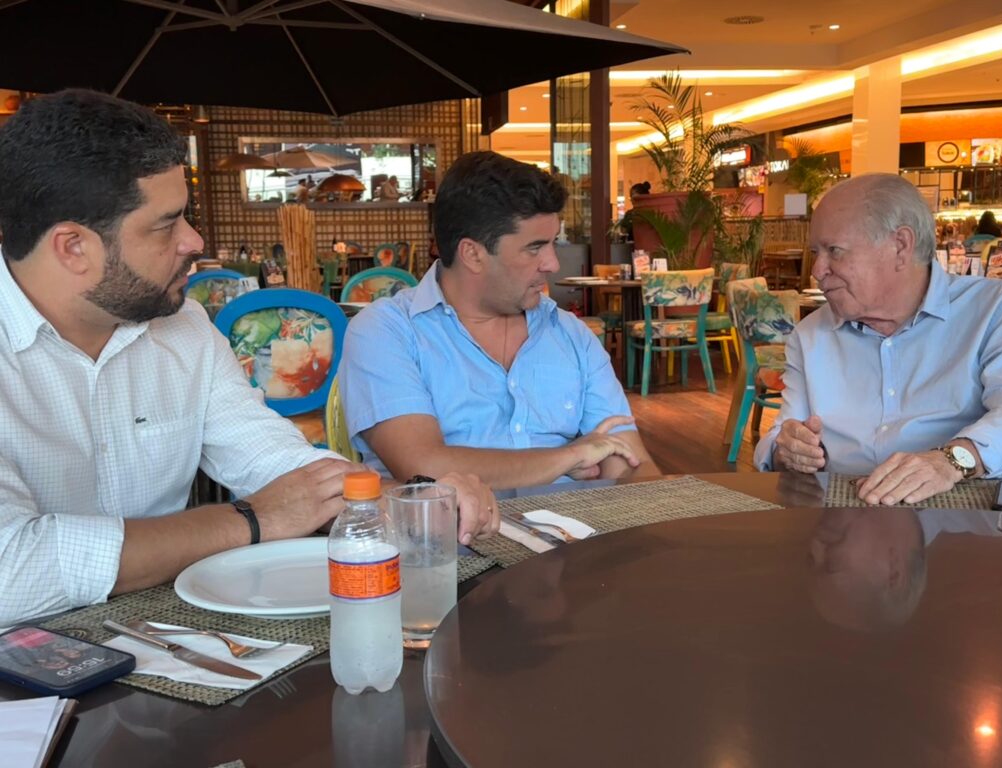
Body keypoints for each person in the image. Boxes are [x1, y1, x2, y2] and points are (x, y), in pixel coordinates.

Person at [0, 89, 497, 625]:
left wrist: (404, 502)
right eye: (167, 224)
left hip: (169, 640)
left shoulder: (182, 328)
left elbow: (273, 460)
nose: (195, 240)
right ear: (72, 247)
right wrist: (249, 521)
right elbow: (12, 572)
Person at [338, 150, 659, 489]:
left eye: (552, 244)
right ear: (473, 253)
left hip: (578, 535)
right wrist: (569, 457)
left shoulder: (570, 335)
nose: (552, 263)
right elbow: (423, 467)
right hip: (449, 538)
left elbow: (629, 462)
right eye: (535, 247)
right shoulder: (387, 333)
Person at [754, 173, 1002, 504]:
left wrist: (951, 460)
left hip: (969, 522)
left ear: (900, 246)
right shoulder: (811, 336)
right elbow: (778, 438)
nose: (817, 269)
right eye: (815, 252)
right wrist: (788, 450)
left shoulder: (999, 309)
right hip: (845, 526)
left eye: (834, 251)